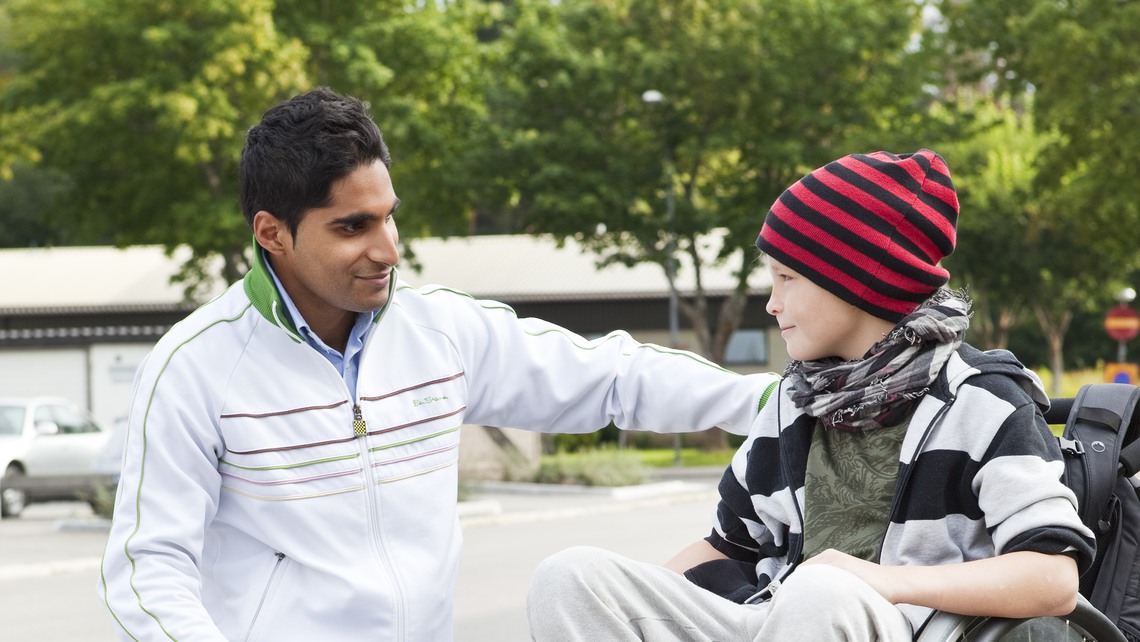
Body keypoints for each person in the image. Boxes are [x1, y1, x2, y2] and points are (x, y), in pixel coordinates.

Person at [96, 87, 779, 641]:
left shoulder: (441, 332)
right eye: (353, 227)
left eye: (388, 217)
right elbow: (149, 567)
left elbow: (613, 377)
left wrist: (776, 402)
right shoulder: (194, 367)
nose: (388, 249)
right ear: (272, 233)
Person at [527, 150, 1097, 641]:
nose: (771, 303)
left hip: (907, 625)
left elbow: (1052, 579)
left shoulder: (985, 400)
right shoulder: (793, 401)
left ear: (857, 280)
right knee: (571, 576)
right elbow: (729, 548)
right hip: (774, 616)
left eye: (787, 278)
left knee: (822, 590)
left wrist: (883, 582)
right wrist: (637, 607)